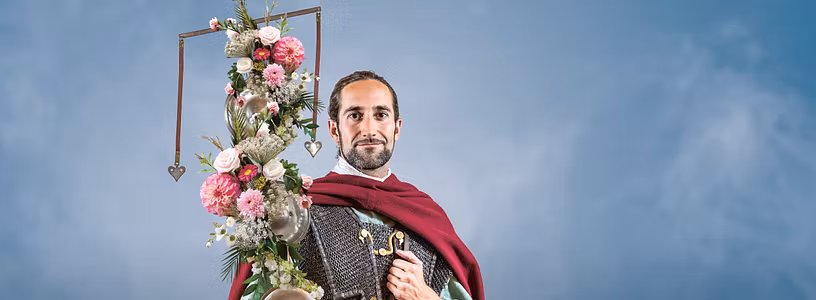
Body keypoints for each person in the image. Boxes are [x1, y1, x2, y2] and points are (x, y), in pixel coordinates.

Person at [229, 71, 484, 300]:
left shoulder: (427, 217)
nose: (369, 129)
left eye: (381, 115)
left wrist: (426, 297)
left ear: (397, 128)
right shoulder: (295, 213)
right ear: (334, 130)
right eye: (355, 115)